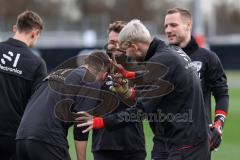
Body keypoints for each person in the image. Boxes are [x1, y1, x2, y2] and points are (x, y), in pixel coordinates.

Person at [77, 19, 210, 160]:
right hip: (184, 139)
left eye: (126, 52)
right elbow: (161, 75)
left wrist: (100, 122)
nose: (128, 57)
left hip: (184, 145)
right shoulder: (172, 51)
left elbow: (140, 110)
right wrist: (128, 74)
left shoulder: (160, 61)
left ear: (134, 46)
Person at [15, 51, 111, 160]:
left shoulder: (57, 72)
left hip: (21, 139)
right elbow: (81, 126)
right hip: (48, 140)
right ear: (105, 75)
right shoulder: (90, 80)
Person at [164, 7, 229, 152]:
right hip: (165, 143)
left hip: (198, 142)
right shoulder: (161, 60)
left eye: (173, 25)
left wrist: (218, 125)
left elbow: (222, 94)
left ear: (188, 25)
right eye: (166, 26)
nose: (168, 30)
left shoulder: (208, 58)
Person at [90, 21, 146, 160]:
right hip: (103, 147)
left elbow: (144, 107)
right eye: (111, 41)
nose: (114, 46)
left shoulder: (139, 69)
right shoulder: (97, 69)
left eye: (118, 41)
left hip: (132, 146)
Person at [0, 10, 47, 159]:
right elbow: (37, 108)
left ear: (15, 28)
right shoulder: (37, 64)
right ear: (35, 33)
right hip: (14, 137)